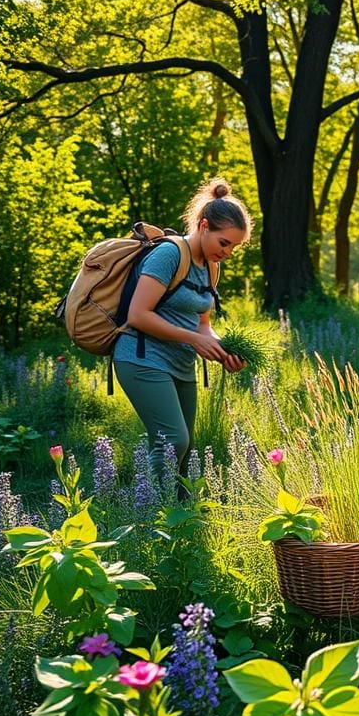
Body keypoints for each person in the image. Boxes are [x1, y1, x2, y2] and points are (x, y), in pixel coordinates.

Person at [113, 177, 250, 486]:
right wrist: (194, 340)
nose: (227, 252)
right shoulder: (170, 255)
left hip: (180, 364)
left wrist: (222, 350)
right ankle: (150, 513)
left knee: (183, 450)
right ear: (204, 227)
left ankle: (181, 520)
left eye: (234, 247)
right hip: (141, 358)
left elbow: (203, 325)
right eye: (224, 243)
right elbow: (137, 315)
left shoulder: (211, 267)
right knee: (173, 441)